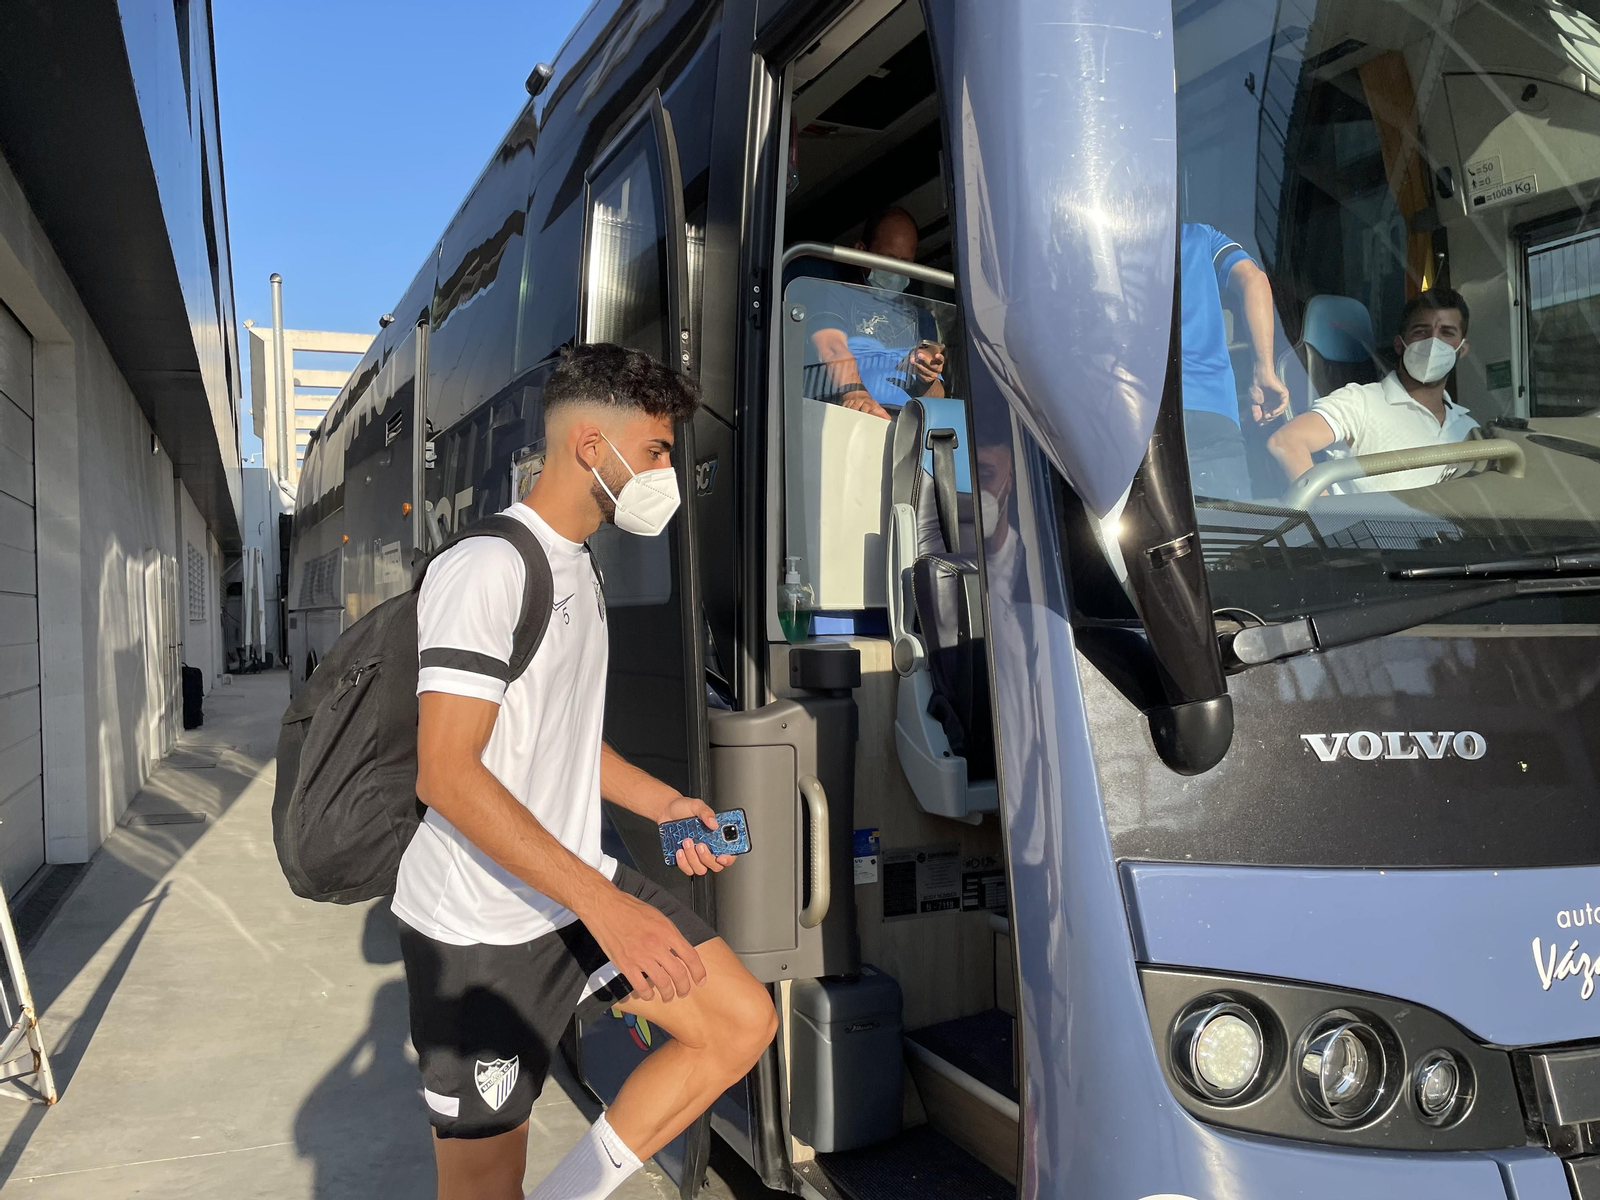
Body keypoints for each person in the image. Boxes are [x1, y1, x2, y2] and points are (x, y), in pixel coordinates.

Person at [394, 343, 777, 1200]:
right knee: (485, 1187)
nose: (667, 473)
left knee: (739, 1022)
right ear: (589, 447)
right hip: (477, 931)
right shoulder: (486, 569)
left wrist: (667, 802)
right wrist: (609, 910)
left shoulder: (580, 567)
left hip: (568, 888)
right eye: (655, 452)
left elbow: (565, 740)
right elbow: (446, 776)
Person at [1267, 288, 1479, 494]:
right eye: (1421, 331)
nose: (1433, 342)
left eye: (1447, 332)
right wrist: (1330, 521)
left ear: (1462, 348)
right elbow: (1286, 442)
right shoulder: (1360, 402)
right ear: (1399, 344)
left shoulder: (1470, 429)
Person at [795, 205, 945, 419]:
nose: (895, 271)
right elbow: (830, 346)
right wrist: (856, 393)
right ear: (861, 252)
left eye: (905, 263)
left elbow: (936, 399)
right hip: (852, 417)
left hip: (909, 428)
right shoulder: (833, 294)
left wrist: (928, 379)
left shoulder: (922, 319)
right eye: (888, 259)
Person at [1180, 222, 1290, 501]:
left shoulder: (1097, 241)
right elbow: (1253, 279)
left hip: (1133, 416)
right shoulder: (1199, 235)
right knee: (1230, 537)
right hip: (1213, 414)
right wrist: (1263, 368)